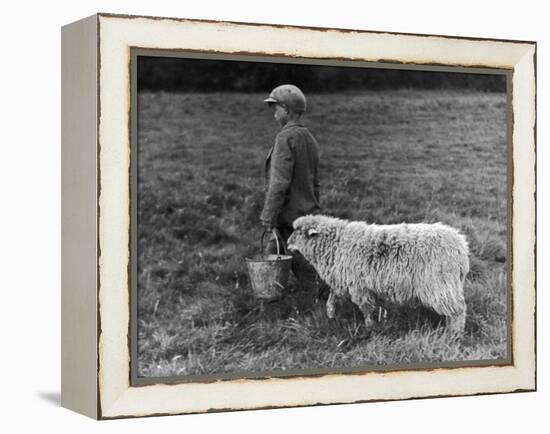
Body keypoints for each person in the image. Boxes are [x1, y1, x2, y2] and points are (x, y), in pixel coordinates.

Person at [260, 84, 323, 296]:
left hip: (289, 216)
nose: (274, 114)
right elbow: (315, 182)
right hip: (307, 213)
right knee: (273, 256)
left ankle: (321, 307)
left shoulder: (285, 138)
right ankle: (269, 301)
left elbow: (279, 183)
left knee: (302, 265)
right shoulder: (309, 138)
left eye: (276, 109)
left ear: (287, 110)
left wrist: (269, 215)